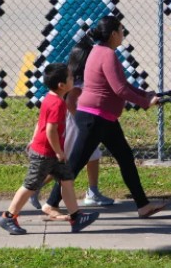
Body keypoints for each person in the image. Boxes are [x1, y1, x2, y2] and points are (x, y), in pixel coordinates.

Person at [41, 16, 167, 219]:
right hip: (94, 119)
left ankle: (143, 205)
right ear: (113, 34)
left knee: (125, 158)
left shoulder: (99, 52)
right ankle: (50, 203)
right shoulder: (107, 54)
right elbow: (120, 89)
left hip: (104, 119)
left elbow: (122, 84)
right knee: (75, 163)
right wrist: (145, 103)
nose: (123, 34)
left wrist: (145, 94)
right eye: (121, 30)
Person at [0, 63, 99, 235]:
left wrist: (34, 138)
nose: (74, 79)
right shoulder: (57, 104)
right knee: (30, 185)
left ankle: (76, 217)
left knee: (67, 180)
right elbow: (50, 130)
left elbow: (41, 122)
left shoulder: (50, 98)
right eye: (71, 77)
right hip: (45, 154)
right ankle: (9, 216)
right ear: (62, 85)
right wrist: (59, 151)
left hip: (50, 151)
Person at [29, 36, 115, 210]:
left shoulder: (74, 76)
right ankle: (35, 188)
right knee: (67, 162)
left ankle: (93, 191)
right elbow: (70, 103)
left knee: (92, 156)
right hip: (74, 125)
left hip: (76, 122)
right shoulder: (77, 81)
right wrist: (82, 122)